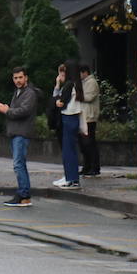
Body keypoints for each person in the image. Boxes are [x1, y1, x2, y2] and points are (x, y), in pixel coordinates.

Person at [0, 66, 40, 207]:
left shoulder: (29, 93)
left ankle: (23, 194)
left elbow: (24, 111)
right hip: (16, 132)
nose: (18, 80)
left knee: (18, 164)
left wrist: (7, 110)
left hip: (22, 132)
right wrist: (8, 109)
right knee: (19, 164)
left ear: (26, 77)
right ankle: (24, 195)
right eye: (15, 78)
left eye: (20, 77)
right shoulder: (18, 92)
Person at [52, 60, 84, 189]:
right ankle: (73, 178)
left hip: (68, 117)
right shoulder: (77, 84)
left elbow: (60, 102)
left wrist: (57, 99)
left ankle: (71, 179)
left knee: (67, 150)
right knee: (72, 150)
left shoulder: (69, 85)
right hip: (75, 117)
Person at [77, 64, 101, 177]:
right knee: (83, 144)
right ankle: (87, 166)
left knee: (89, 143)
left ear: (84, 72)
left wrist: (77, 95)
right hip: (83, 116)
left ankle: (94, 167)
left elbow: (89, 97)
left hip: (90, 117)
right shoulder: (83, 83)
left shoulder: (91, 82)